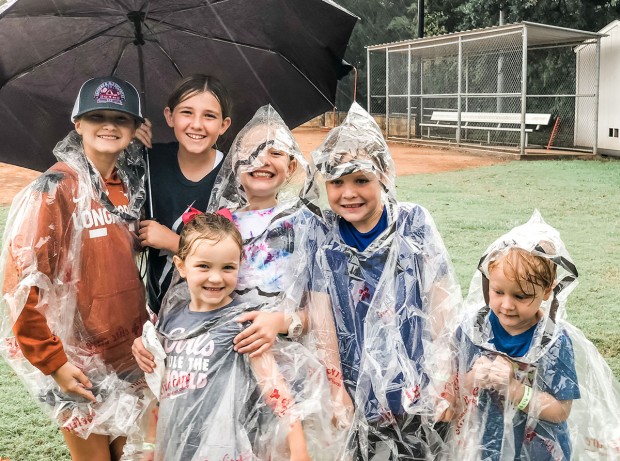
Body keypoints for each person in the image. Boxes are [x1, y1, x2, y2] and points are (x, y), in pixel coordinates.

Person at [0, 76, 149, 461]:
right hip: (78, 362)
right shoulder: (55, 187)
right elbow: (23, 284)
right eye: (97, 116)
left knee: (129, 455)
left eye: (121, 118)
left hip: (129, 353)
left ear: (135, 129)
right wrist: (54, 363)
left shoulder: (131, 188)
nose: (109, 125)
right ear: (77, 123)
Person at [309, 103, 463, 460]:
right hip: (353, 384)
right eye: (337, 182)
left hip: (417, 382)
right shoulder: (324, 235)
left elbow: (441, 301)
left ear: (384, 177)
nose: (349, 193)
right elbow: (322, 316)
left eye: (361, 179)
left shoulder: (413, 223)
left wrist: (445, 378)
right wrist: (336, 389)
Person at [447, 211, 620, 460]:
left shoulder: (553, 342)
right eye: (498, 292)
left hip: (537, 450)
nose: (507, 305)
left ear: (547, 291)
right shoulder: (474, 330)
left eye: (520, 296)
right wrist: (475, 376)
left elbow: (561, 410)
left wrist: (515, 389)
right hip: (484, 446)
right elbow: (452, 387)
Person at [146, 211, 316, 461]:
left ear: (239, 265)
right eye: (203, 266)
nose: (215, 277)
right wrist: (152, 449)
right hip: (176, 445)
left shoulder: (242, 322)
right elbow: (159, 392)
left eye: (227, 267)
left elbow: (273, 385)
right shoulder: (170, 320)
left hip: (225, 449)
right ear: (181, 266)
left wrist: (298, 447)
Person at [134, 74, 232, 315]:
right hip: (159, 308)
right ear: (169, 116)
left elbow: (235, 256)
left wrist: (172, 241)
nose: (197, 124)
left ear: (224, 125)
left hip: (216, 312)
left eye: (209, 116)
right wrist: (126, 143)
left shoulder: (233, 174)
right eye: (187, 112)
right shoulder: (148, 160)